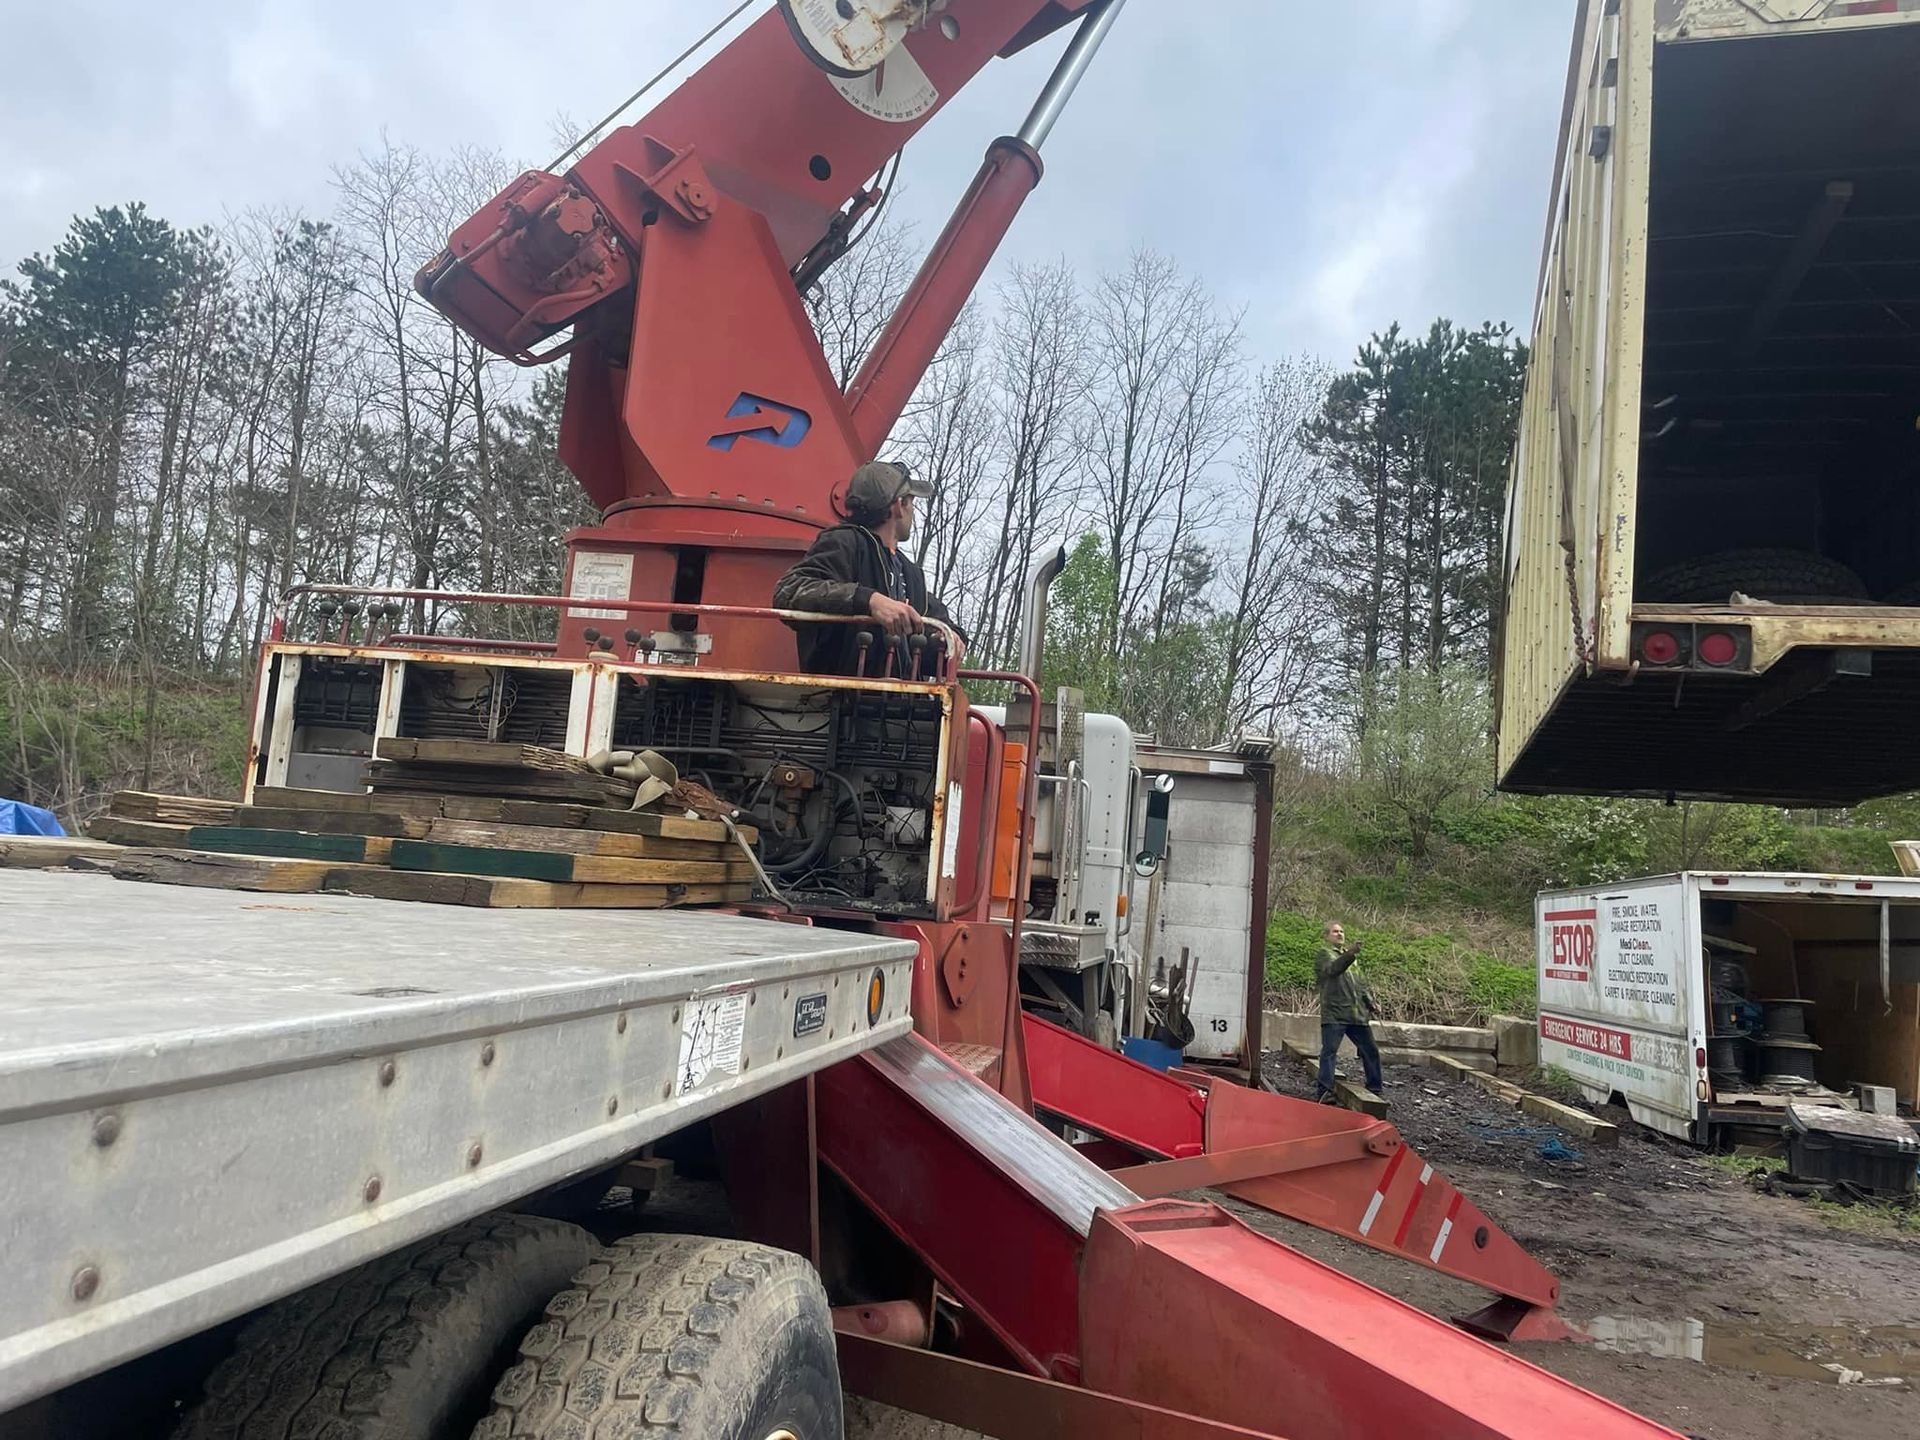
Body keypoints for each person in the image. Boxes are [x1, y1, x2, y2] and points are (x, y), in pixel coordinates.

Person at [772, 460, 960, 676]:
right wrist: (869, 600)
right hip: (839, 700)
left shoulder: (910, 573)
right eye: (911, 502)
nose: (913, 511)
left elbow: (939, 623)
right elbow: (789, 590)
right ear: (899, 505)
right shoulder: (844, 542)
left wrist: (950, 638)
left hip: (904, 703)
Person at [1315, 921, 1384, 1102]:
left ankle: (1375, 1088)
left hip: (1356, 1015)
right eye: (1335, 931)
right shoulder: (1324, 954)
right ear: (1326, 936)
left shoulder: (1352, 960)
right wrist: (1350, 954)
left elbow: (1359, 986)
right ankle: (1324, 1091)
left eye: (1341, 931)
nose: (1339, 934)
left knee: (1370, 1050)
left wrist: (1370, 1003)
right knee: (1329, 1052)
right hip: (1335, 1014)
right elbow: (1332, 970)